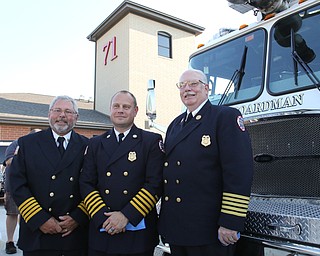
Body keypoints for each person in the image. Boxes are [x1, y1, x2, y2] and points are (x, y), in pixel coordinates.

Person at [158, 69, 254, 256]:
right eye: (182, 85)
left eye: (193, 84)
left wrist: (230, 221)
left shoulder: (224, 117)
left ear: (206, 88)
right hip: (178, 228)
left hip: (209, 229)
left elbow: (239, 172)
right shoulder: (175, 124)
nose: (187, 89)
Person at [79, 90, 165, 256]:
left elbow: (155, 183)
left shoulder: (151, 141)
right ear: (110, 109)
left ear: (135, 111)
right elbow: (86, 183)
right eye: (116, 106)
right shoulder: (96, 143)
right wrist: (103, 218)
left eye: (126, 107)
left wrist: (126, 215)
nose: (120, 110)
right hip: (102, 227)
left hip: (137, 232)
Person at [10, 95, 89, 256]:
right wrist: (40, 219)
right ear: (49, 114)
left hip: (74, 234)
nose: (62, 115)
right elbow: (17, 184)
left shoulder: (88, 146)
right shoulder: (28, 143)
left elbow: (94, 184)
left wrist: (78, 217)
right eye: (57, 110)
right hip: (37, 234)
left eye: (68, 111)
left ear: (76, 117)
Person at [3, 129, 41, 254]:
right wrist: (25, 158)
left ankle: (25, 238)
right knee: (12, 214)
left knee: (28, 214)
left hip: (33, 188)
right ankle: (9, 242)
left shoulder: (41, 147)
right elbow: (8, 161)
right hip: (15, 187)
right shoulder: (16, 144)